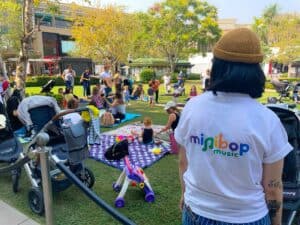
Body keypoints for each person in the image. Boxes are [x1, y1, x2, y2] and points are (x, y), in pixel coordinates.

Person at [175, 28, 292, 225]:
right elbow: (272, 188)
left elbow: (183, 163)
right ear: (256, 71)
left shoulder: (192, 107)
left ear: (217, 67)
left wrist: (186, 195)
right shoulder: (267, 120)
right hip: (247, 218)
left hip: (196, 213)